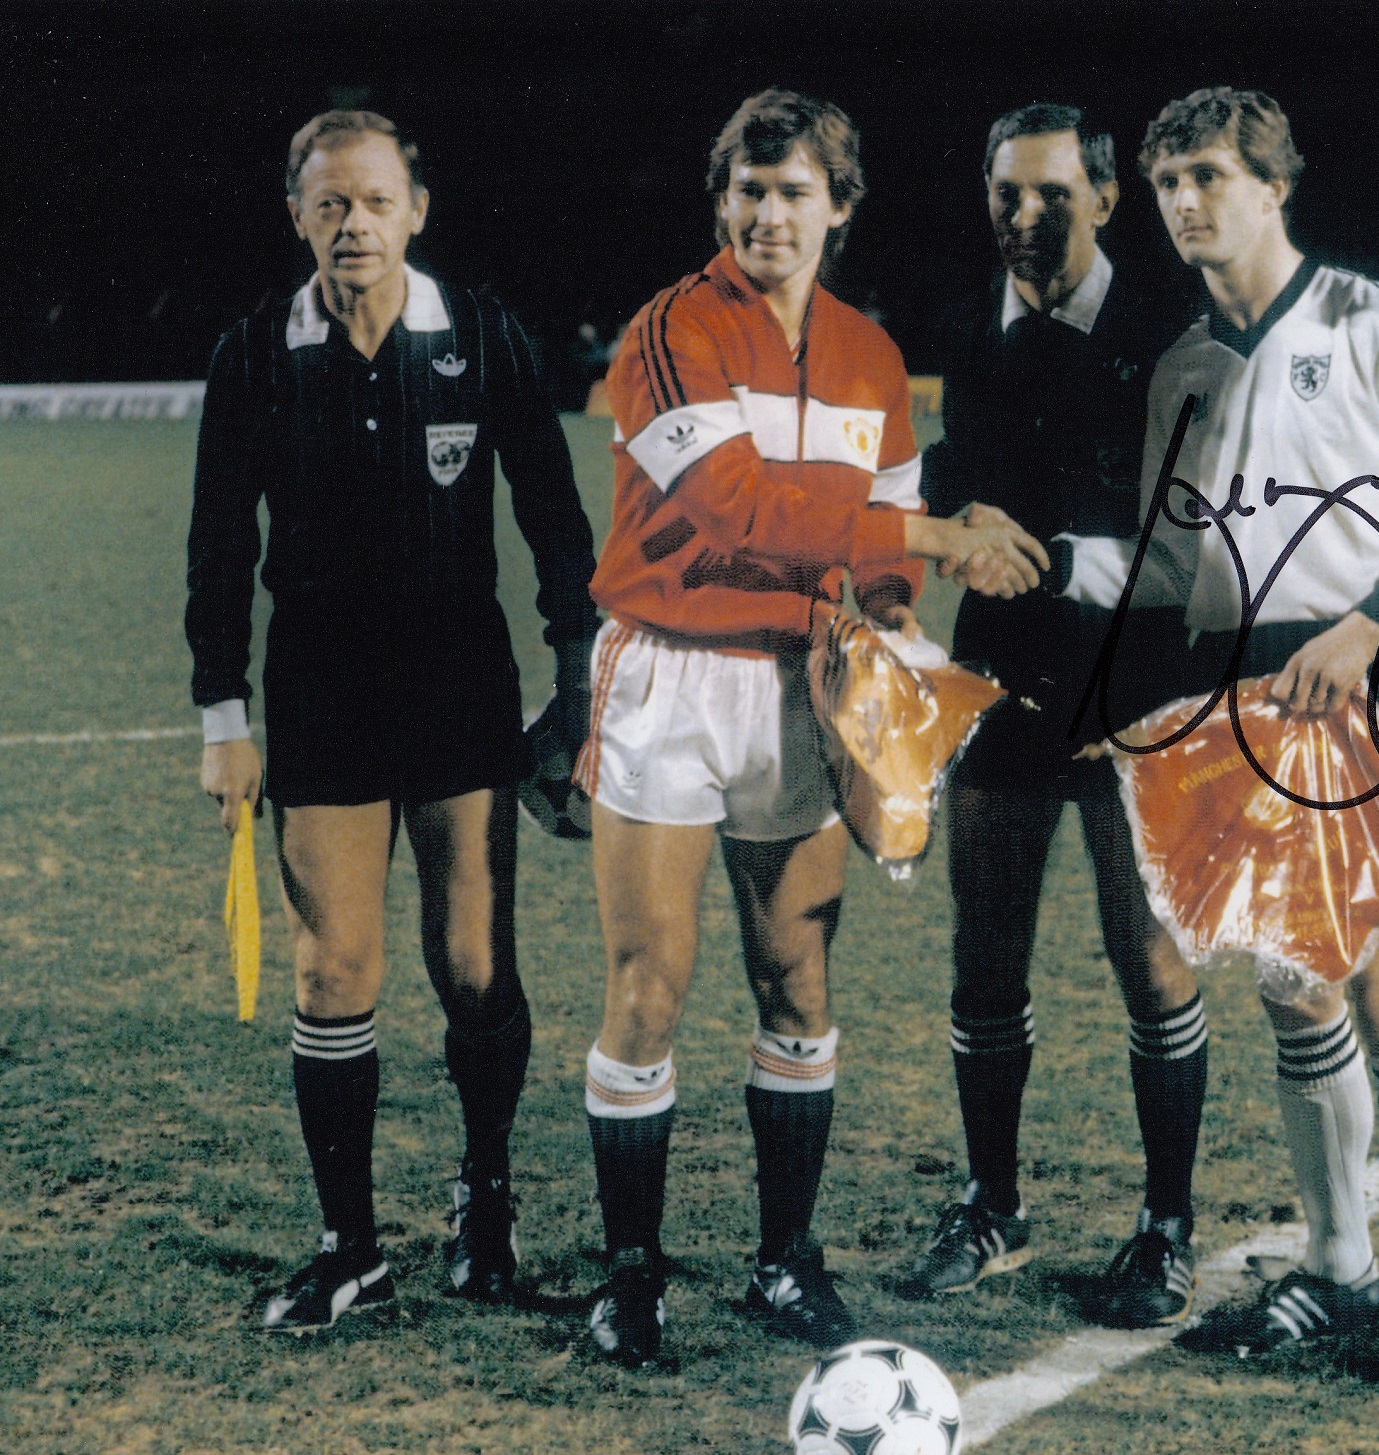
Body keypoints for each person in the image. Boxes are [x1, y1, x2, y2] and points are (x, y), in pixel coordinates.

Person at [573, 87, 1048, 1369]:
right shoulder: (671, 328)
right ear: (720, 201)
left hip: (801, 678)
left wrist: (891, 642)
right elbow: (734, 508)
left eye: (793, 192)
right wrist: (939, 538)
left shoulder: (871, 357)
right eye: (747, 190)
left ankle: (786, 1264)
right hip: (671, 677)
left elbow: (877, 550)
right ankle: (632, 1279)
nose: (767, 214)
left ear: (839, 205)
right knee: (649, 984)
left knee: (798, 979)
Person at [1065, 87, 1379, 1386]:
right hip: (1239, 699)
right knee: (1288, 990)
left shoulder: (1377, 322)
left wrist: (1375, 626)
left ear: (1274, 184)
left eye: (1210, 175)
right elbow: (1163, 570)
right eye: (1166, 185)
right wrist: (1037, 565)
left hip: (1370, 676)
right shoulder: (1182, 370)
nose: (1187, 203)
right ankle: (1337, 1275)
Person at [186, 110, 601, 1330]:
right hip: (318, 694)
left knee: (474, 968)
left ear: (417, 209)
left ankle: (486, 1210)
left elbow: (558, 528)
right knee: (334, 970)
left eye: (374, 201)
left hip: (457, 685)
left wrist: (574, 694)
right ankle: (350, 1244)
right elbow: (218, 548)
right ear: (298, 215)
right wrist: (224, 713)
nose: (353, 224)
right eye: (329, 204)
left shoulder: (483, 337)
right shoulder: (258, 352)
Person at [891, 102, 1210, 1327]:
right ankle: (992, 1206)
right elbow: (960, 475)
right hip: (1001, 679)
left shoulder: (1174, 324)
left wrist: (1060, 560)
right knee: (986, 954)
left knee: (1152, 960)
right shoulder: (973, 320)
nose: (1027, 218)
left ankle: (1166, 1229)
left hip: (1142, 683)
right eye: (1006, 195)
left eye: (1054, 195)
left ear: (1109, 196)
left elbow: (1199, 542)